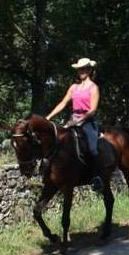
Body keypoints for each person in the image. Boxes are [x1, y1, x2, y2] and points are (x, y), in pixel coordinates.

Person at [46, 57, 103, 192]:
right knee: (59, 142)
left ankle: (96, 177)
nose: (81, 71)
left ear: (89, 70)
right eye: (79, 69)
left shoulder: (94, 88)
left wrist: (80, 120)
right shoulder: (73, 87)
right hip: (73, 119)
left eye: (84, 69)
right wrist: (48, 117)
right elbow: (62, 103)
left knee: (93, 148)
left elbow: (93, 110)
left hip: (87, 121)